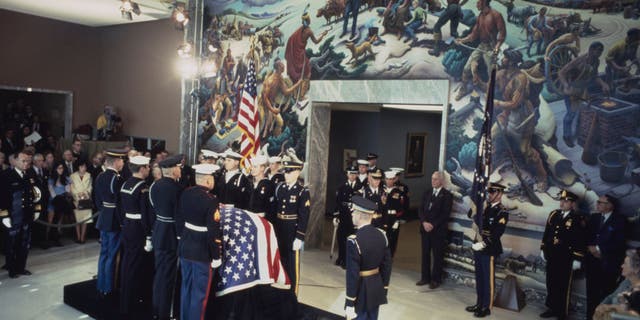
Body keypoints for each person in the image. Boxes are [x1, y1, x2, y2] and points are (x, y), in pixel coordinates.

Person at [492, 48, 548, 191]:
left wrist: (497, 104)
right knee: (491, 136)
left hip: (522, 116)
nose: (502, 60)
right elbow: (493, 91)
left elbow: (515, 103)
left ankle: (542, 177)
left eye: (504, 58)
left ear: (511, 62)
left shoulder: (520, 78)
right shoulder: (500, 74)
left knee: (525, 149)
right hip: (507, 113)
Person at [177, 163, 222, 320]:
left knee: (186, 288)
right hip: (202, 252)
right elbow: (213, 232)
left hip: (185, 246)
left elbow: (179, 218)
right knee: (199, 293)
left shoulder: (186, 193)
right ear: (209, 180)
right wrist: (216, 256)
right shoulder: (211, 200)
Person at [539, 190, 586, 319]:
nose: (562, 203)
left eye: (566, 201)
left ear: (572, 203)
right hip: (552, 255)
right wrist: (543, 249)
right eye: (561, 200)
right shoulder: (554, 214)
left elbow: (580, 240)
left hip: (566, 258)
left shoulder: (577, 218)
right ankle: (551, 308)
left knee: (563, 285)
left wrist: (577, 257)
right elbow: (547, 233)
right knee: (551, 283)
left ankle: (562, 312)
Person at [344, 196, 392, 320]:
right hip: (376, 286)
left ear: (359, 216)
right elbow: (386, 266)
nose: (352, 215)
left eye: (353, 212)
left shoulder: (354, 240)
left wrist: (350, 301)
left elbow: (353, 274)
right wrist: (384, 288)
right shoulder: (382, 236)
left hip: (360, 291)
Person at [150, 154, 185, 320]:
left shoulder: (155, 186)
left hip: (158, 230)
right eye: (179, 167)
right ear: (173, 170)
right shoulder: (177, 189)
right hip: (171, 233)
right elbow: (179, 215)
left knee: (159, 272)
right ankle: (166, 313)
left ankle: (157, 308)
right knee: (169, 275)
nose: (180, 169)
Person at [466, 182, 509, 318]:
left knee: (488, 279)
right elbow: (470, 215)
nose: (489, 194)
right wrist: (478, 204)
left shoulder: (502, 211)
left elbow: (497, 233)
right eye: (489, 192)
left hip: (489, 248)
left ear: (500, 194)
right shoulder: (485, 207)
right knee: (479, 278)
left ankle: (486, 307)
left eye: (492, 192)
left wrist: (483, 244)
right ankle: (479, 303)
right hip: (478, 246)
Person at [119, 155, 154, 315]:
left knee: (127, 262)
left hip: (127, 225)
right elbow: (145, 215)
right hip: (138, 229)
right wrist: (148, 235)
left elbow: (119, 208)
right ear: (141, 169)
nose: (149, 169)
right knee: (134, 265)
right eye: (147, 167)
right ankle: (131, 302)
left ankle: (125, 298)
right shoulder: (143, 187)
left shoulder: (126, 183)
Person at [0, 150, 43, 278]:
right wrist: (4, 215)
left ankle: (21, 267)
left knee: (25, 243)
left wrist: (37, 210)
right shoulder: (6, 175)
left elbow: (36, 194)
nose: (26, 164)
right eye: (23, 161)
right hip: (14, 215)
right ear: (15, 161)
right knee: (12, 243)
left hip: (27, 214)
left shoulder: (29, 174)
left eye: (27, 161)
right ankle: (11, 269)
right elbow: (2, 197)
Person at [558, 41, 609, 148]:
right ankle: (567, 136)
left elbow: (595, 76)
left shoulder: (596, 62)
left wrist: (603, 84)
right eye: (597, 51)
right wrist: (566, 85)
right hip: (571, 89)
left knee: (581, 112)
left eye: (601, 51)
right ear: (591, 50)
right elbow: (561, 72)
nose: (599, 53)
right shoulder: (579, 61)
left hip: (582, 89)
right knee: (571, 113)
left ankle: (578, 133)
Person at [585, 194, 628, 319]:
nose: (597, 204)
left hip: (609, 265)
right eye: (597, 201)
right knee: (591, 294)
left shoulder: (620, 220)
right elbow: (586, 237)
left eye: (600, 202)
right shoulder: (594, 218)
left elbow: (619, 243)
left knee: (606, 295)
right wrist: (590, 248)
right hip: (592, 263)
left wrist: (598, 249)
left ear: (610, 205)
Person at [455, 0, 506, 101]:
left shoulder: (496, 15)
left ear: (484, 2)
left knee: (492, 74)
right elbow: (474, 34)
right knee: (466, 68)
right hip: (481, 46)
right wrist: (462, 40)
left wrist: (497, 46)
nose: (476, 4)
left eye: (478, 2)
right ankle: (463, 89)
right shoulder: (480, 16)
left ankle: (491, 95)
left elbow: (502, 32)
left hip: (491, 48)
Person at [274, 160, 310, 296]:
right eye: (285, 172)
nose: (286, 175)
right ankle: (281, 288)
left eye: (289, 172)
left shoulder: (302, 192)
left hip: (292, 230)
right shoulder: (280, 188)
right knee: (280, 259)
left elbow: (304, 216)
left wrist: (300, 236)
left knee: (292, 262)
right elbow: (275, 209)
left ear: (297, 172)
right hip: (280, 228)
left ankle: (293, 292)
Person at [94, 148, 127, 299]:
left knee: (104, 253)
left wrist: (104, 211)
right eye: (122, 160)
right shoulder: (117, 179)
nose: (123, 163)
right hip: (114, 220)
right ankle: (108, 287)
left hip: (104, 217)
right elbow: (120, 203)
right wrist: (122, 221)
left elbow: (97, 199)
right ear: (116, 161)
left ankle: (101, 285)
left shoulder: (100, 176)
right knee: (112, 255)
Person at [417, 171, 453, 289]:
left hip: (438, 231)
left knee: (437, 256)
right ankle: (425, 277)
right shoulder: (427, 193)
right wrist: (424, 222)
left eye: (436, 179)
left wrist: (432, 224)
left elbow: (445, 214)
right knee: (425, 254)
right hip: (425, 229)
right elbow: (421, 209)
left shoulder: (447, 195)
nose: (433, 181)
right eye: (432, 179)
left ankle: (435, 279)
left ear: (441, 181)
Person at [285, 9, 328, 102]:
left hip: (294, 56)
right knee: (307, 73)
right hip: (300, 56)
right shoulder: (309, 31)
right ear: (309, 20)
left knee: (296, 75)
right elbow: (316, 42)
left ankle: (295, 95)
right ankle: (301, 95)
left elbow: (290, 39)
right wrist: (323, 35)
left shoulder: (300, 30)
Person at [593, 249, 640, 320]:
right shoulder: (627, 281)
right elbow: (611, 297)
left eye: (625, 263)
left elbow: (633, 316)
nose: (622, 266)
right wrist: (600, 306)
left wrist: (609, 308)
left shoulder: (637, 293)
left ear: (636, 269)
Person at [334, 165, 362, 269]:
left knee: (352, 239)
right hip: (343, 216)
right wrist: (336, 216)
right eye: (351, 173)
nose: (352, 176)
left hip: (355, 217)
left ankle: (349, 260)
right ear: (347, 174)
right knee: (341, 238)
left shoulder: (360, 188)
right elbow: (338, 202)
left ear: (357, 175)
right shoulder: (342, 187)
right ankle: (341, 257)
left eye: (354, 173)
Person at [605, 28, 640, 92]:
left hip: (623, 68)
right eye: (637, 37)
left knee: (631, 81)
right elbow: (608, 60)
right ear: (630, 37)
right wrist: (620, 68)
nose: (637, 41)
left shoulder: (635, 43)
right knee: (612, 88)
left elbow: (632, 56)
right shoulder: (618, 46)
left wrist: (637, 64)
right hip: (612, 69)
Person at [47, 162, 72, 247]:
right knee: (50, 220)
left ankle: (57, 238)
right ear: (55, 169)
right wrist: (56, 198)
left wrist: (66, 195)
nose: (61, 170)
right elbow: (51, 191)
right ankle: (47, 238)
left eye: (62, 168)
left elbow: (68, 191)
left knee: (59, 221)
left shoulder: (66, 179)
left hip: (62, 201)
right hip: (53, 201)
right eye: (59, 168)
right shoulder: (51, 179)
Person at [383, 171, 406, 258]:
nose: (389, 181)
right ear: (385, 179)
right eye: (387, 179)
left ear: (394, 180)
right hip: (383, 217)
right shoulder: (381, 190)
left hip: (393, 218)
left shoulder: (398, 192)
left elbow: (401, 208)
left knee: (392, 239)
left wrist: (397, 220)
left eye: (391, 179)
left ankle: (390, 256)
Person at [247, 155, 276, 221]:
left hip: (263, 220)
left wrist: (265, 215)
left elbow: (272, 206)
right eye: (252, 167)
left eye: (255, 167)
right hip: (249, 218)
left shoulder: (268, 184)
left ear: (262, 168)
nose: (252, 169)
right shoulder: (250, 183)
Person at [70, 161, 93, 244]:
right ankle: (78, 236)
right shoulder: (73, 176)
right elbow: (71, 187)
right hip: (77, 200)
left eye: (85, 167)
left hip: (86, 200)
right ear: (78, 167)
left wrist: (85, 193)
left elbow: (90, 187)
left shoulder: (88, 175)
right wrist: (77, 195)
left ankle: (83, 237)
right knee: (77, 220)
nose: (84, 168)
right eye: (82, 166)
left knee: (85, 220)